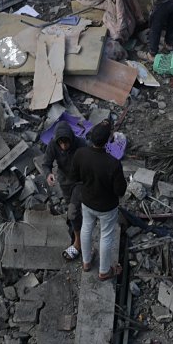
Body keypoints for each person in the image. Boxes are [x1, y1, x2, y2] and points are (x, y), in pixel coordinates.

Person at [72, 121, 127, 281]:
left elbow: (74, 177)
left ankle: (86, 262)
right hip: (106, 207)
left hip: (87, 201)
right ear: (107, 141)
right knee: (106, 235)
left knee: (86, 228)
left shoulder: (80, 154)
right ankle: (104, 271)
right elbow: (120, 191)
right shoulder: (113, 163)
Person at [42, 120, 83, 261]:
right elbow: (46, 163)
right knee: (73, 209)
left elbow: (92, 156)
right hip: (65, 181)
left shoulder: (80, 143)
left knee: (71, 213)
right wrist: (48, 174)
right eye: (61, 144)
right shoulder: (53, 145)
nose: (64, 146)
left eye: (67, 143)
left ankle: (78, 243)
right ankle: (79, 227)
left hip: (80, 181)